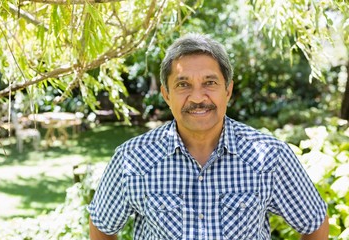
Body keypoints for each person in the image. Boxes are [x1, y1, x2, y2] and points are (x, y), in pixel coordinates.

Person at [88, 33, 329, 240]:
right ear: (166, 94)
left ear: (228, 90)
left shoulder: (271, 156)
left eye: (210, 82)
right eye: (183, 84)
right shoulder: (132, 159)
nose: (197, 97)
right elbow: (101, 227)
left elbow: (314, 223)